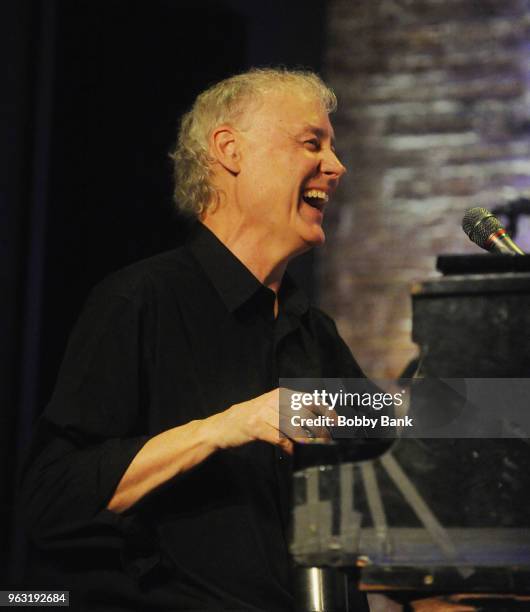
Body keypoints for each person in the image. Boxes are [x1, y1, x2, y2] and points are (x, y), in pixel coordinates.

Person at [20, 68, 370, 611]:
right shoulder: (140, 301)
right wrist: (224, 427)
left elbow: (391, 464)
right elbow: (52, 500)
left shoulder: (313, 331)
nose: (336, 166)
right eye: (311, 143)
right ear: (230, 150)